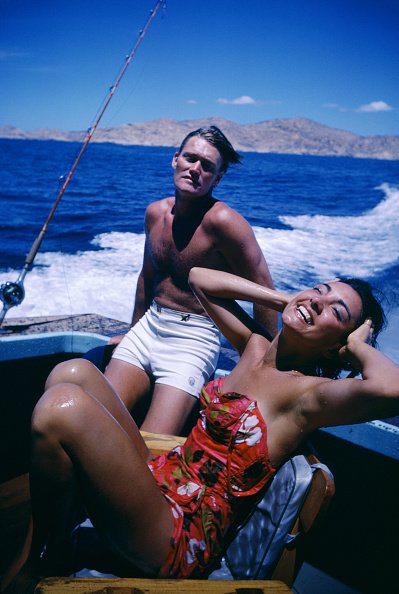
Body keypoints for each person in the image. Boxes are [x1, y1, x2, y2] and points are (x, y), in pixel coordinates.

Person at [2, 267, 398, 592]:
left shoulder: (308, 396)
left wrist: (358, 345)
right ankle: (42, 547)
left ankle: (40, 562)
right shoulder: (255, 348)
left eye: (336, 311)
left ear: (336, 345)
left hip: (179, 535)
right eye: (319, 290)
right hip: (162, 477)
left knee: (60, 409)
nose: (318, 301)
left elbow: (391, 389)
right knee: (74, 372)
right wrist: (287, 300)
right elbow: (199, 278)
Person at [104, 125, 277, 435]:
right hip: (149, 328)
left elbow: (264, 292)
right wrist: (132, 332)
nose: (196, 169)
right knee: (98, 418)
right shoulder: (154, 213)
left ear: (218, 177)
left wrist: (265, 365)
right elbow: (147, 277)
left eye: (207, 166)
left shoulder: (224, 223)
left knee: (152, 441)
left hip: (193, 339)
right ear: (175, 160)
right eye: (190, 158)